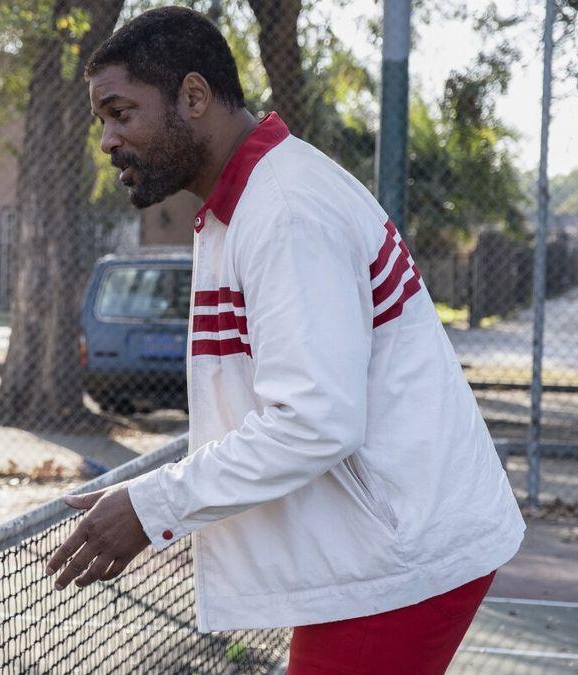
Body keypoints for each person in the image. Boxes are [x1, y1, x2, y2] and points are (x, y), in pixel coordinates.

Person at [45, 8, 525, 673]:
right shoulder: (242, 204)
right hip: (377, 547)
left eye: (122, 112)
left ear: (192, 96)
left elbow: (313, 422)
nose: (107, 140)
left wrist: (153, 504)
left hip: (402, 556)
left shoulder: (285, 206)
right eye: (103, 120)